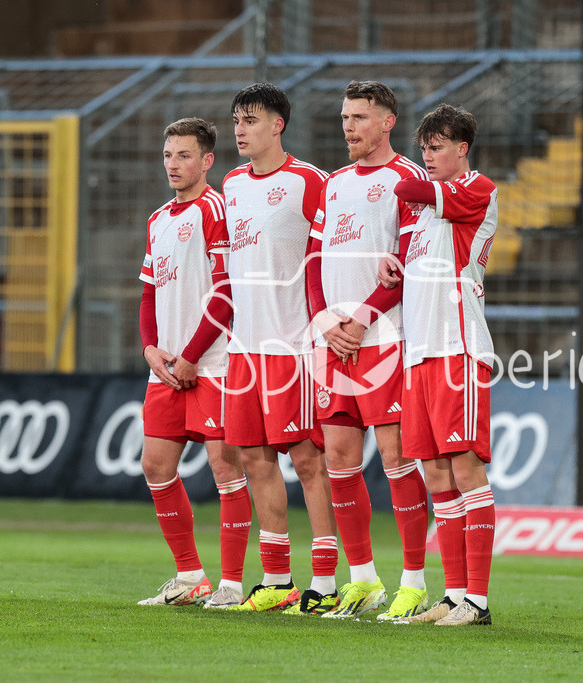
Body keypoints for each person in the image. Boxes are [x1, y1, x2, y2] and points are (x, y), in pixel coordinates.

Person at [306, 80, 431, 620]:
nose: (349, 127)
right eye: (344, 117)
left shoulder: (409, 179)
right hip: (334, 342)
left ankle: (415, 581)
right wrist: (322, 317)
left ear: (388, 122)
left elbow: (411, 261)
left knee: (397, 458)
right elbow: (313, 260)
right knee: (338, 458)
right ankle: (361, 580)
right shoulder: (333, 184)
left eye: (359, 117)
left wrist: (361, 317)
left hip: (385, 339)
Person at [215, 83, 340, 614]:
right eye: (237, 120)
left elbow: (332, 257)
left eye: (250, 119)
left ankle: (329, 581)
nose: (240, 129)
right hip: (244, 347)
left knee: (309, 460)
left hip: (292, 345)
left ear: (277, 125)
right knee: (252, 458)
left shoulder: (310, 182)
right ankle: (276, 578)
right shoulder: (232, 184)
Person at [379, 104, 497, 626]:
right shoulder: (423, 213)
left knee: (466, 468)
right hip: (419, 353)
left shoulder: (476, 189)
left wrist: (399, 169)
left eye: (437, 146)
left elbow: (410, 189)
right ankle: (452, 595)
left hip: (458, 348)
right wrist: (392, 267)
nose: (427, 156)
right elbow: (414, 268)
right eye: (424, 147)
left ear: (462, 149)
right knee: (434, 472)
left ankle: (478, 601)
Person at [136, 117, 245, 607]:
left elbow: (226, 293)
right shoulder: (158, 219)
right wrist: (151, 348)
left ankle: (232, 584)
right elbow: (148, 293)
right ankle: (189, 576)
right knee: (155, 465)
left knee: (226, 467)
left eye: (184, 156)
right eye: (167, 155)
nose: (173, 164)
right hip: (167, 367)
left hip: (214, 365)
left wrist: (194, 356)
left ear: (207, 160)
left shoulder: (217, 209)